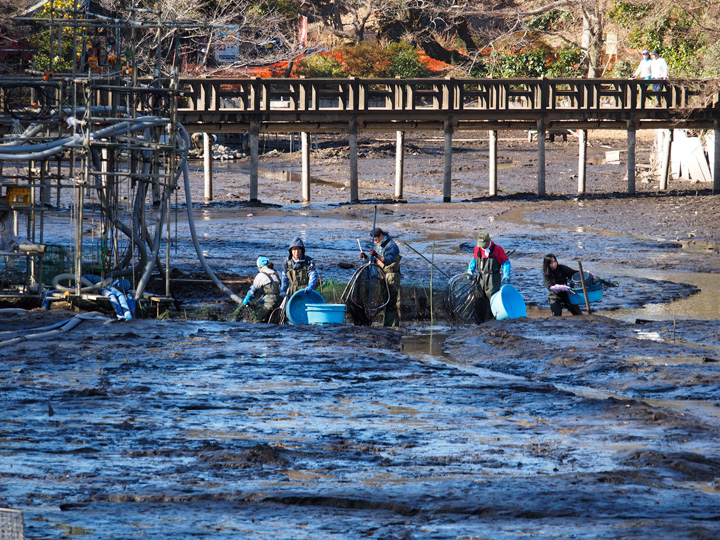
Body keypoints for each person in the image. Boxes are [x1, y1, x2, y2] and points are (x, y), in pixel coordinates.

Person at [361, 227, 401, 327]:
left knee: (390, 302)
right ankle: (395, 325)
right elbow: (377, 262)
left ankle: (387, 326)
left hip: (391, 275)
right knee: (387, 300)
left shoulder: (391, 246)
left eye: (376, 239)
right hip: (383, 274)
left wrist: (376, 254)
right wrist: (366, 257)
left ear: (381, 236)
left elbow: (388, 261)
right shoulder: (380, 245)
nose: (375, 242)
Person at [467, 231, 510, 322]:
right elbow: (474, 260)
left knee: (493, 300)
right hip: (480, 278)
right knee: (479, 300)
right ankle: (479, 322)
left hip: (493, 279)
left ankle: (492, 322)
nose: (482, 246)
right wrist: (470, 271)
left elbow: (506, 262)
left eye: (484, 244)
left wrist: (506, 274)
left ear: (488, 241)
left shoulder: (497, 249)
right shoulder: (477, 249)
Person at [243, 256, 282, 322]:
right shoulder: (279, 273)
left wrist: (247, 299)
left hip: (270, 304)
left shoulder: (260, 275)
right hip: (283, 303)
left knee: (259, 321)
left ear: (259, 267)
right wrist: (265, 298)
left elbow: (253, 292)